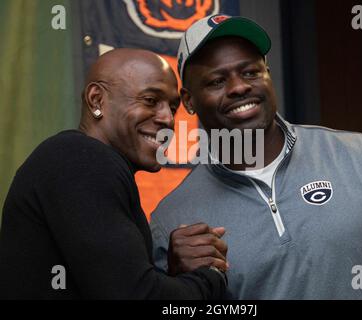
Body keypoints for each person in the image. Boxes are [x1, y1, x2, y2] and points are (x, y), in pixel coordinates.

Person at [150, 15, 362, 299]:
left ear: (268, 73)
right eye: (217, 81)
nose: (239, 87)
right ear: (189, 101)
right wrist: (181, 288)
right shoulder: (172, 221)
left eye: (251, 72)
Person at [0, 48, 229, 299]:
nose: (167, 119)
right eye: (151, 100)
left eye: (172, 108)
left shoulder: (83, 162)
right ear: (97, 100)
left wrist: (174, 272)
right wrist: (211, 276)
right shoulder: (80, 158)